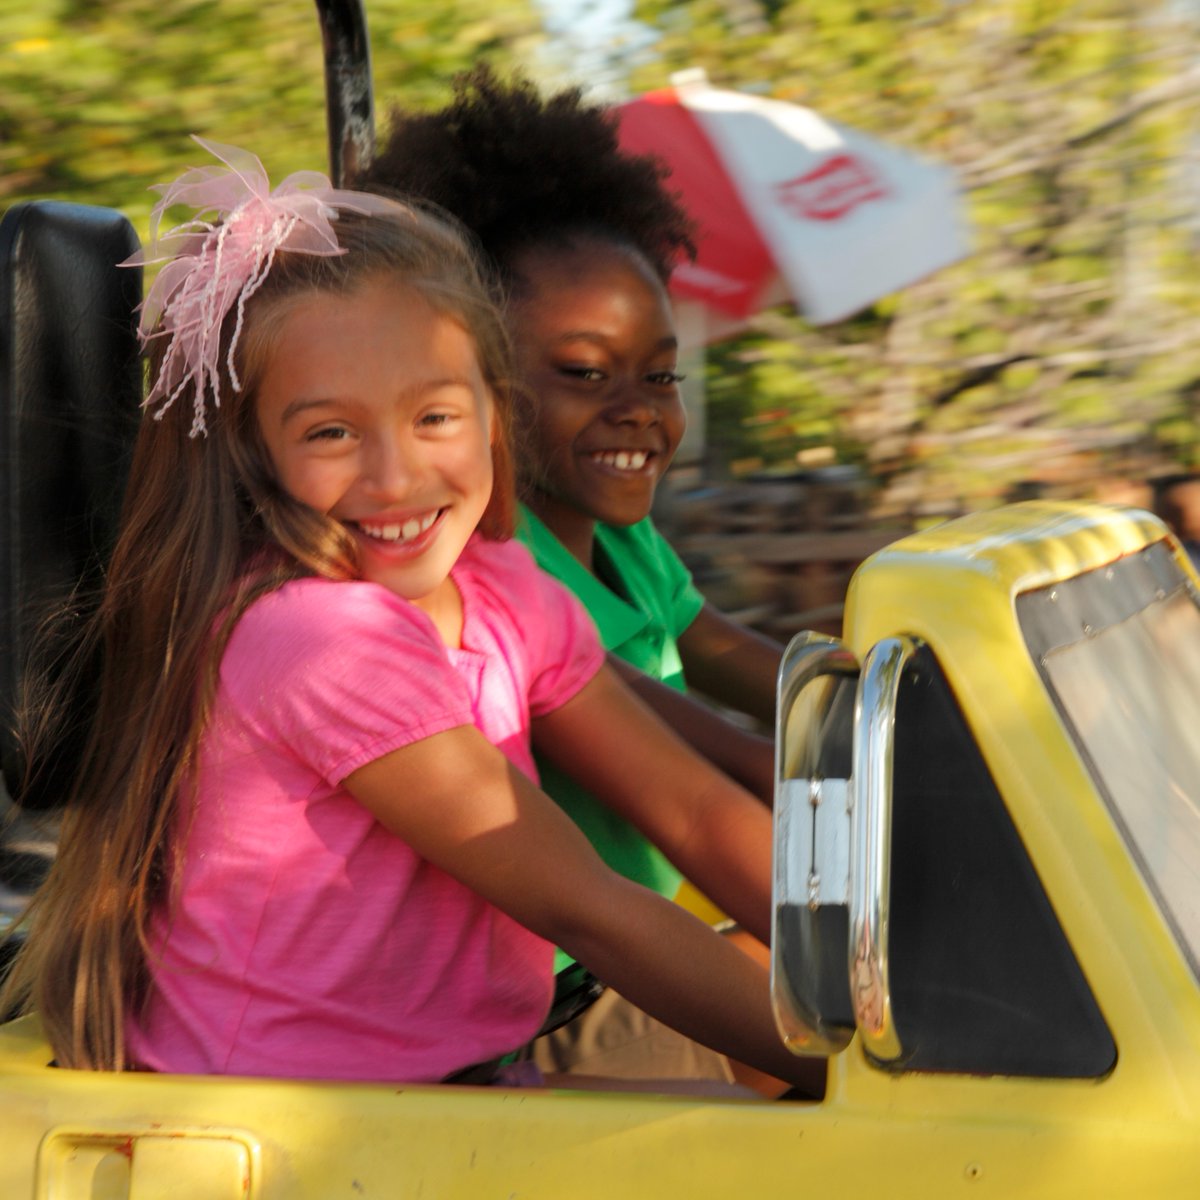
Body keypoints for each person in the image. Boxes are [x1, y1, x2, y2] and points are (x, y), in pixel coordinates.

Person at [0, 140, 823, 1095]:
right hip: (289, 1120)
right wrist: (854, 1080)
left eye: (434, 417)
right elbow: (590, 909)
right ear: (253, 454)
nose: (395, 478)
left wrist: (879, 991)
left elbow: (691, 810)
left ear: (493, 412)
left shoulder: (502, 587)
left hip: (447, 1084)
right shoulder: (316, 639)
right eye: (331, 432)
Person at [359, 69, 789, 1085]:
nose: (639, 409)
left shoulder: (627, 545)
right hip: (549, 1008)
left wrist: (917, 693)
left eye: (660, 374)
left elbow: (771, 674)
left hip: (638, 951)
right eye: (587, 374)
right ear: (475, 388)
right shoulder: (483, 582)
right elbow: (728, 773)